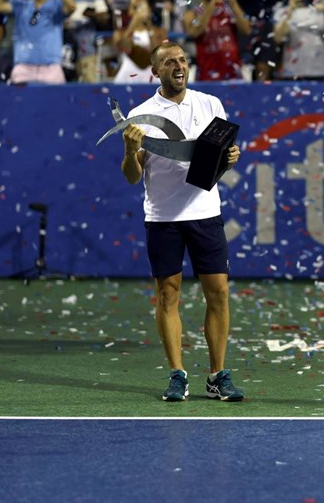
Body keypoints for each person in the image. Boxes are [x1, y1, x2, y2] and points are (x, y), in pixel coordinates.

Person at [120, 40, 244, 403]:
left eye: (182, 60)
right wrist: (130, 151)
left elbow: (215, 161)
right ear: (155, 71)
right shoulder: (141, 114)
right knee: (167, 295)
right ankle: (178, 374)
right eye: (168, 62)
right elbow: (131, 176)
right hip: (163, 218)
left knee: (218, 293)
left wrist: (229, 157)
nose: (178, 65)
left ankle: (217, 375)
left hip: (205, 214)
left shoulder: (211, 104)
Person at [183, 0, 253, 81]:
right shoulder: (193, 10)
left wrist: (234, 4)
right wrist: (213, 4)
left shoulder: (228, 9)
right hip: (206, 75)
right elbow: (194, 31)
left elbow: (247, 29)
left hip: (232, 74)